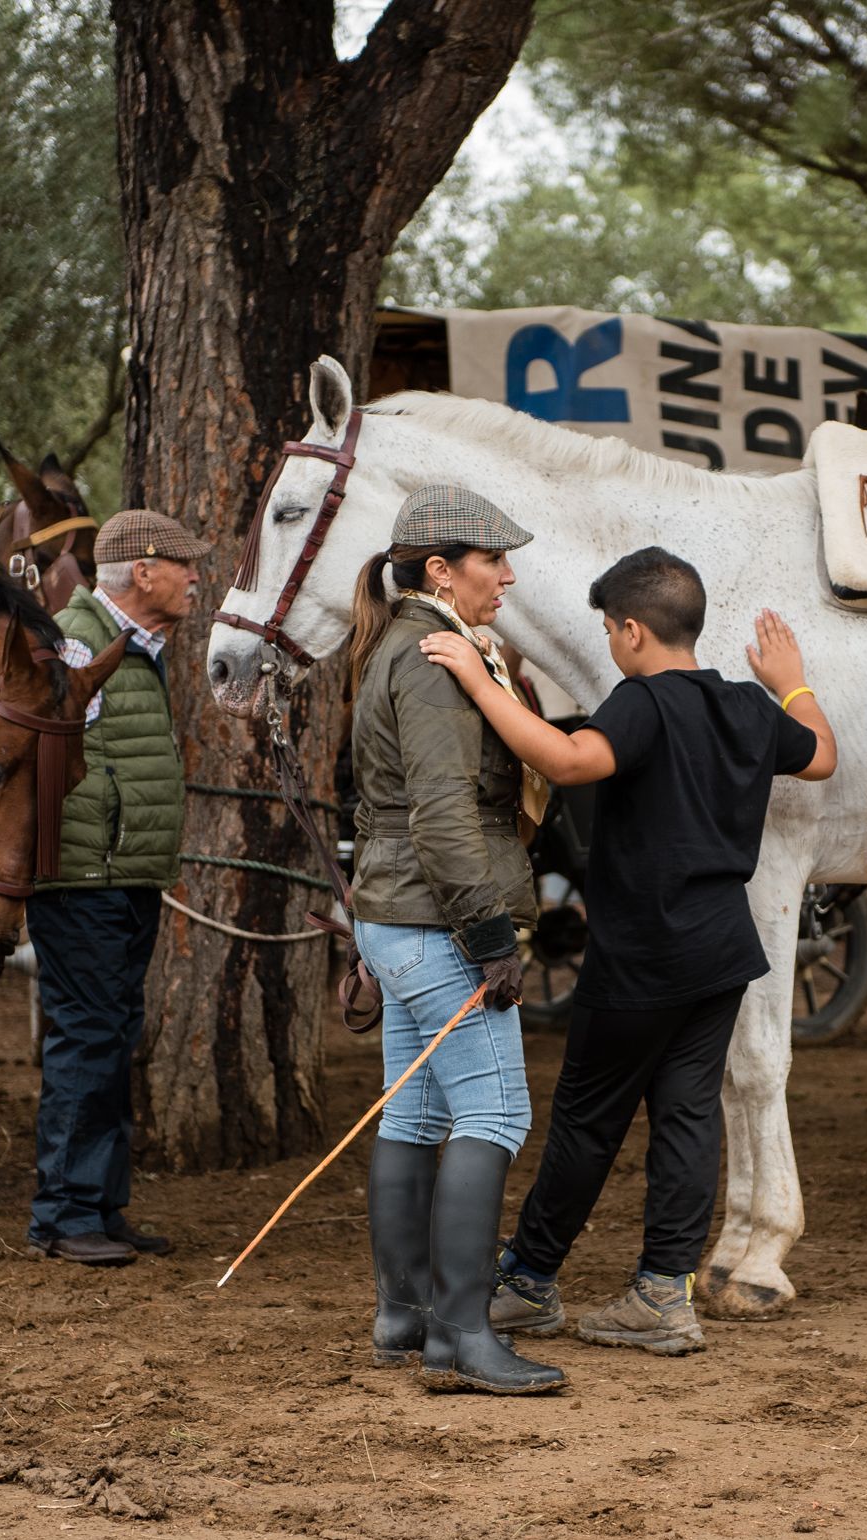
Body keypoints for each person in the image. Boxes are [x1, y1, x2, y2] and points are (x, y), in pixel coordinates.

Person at [419, 547, 837, 1356]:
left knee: (586, 1120)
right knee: (686, 1119)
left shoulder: (640, 703)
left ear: (633, 631)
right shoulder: (749, 705)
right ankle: (661, 1293)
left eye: (610, 628)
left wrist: (477, 680)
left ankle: (528, 1282)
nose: (610, 641)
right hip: (721, 954)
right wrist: (792, 679)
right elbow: (819, 754)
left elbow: (570, 759)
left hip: (643, 954)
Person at [348, 483, 566, 1396]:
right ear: (440, 570)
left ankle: (405, 1316)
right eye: (494, 561)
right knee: (495, 1114)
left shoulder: (401, 643)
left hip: (392, 918)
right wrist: (487, 934)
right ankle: (463, 1338)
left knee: (417, 1113)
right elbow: (441, 815)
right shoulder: (434, 659)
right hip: (434, 921)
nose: (508, 575)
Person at [26, 508, 203, 1266]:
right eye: (186, 565)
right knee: (87, 1036)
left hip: (123, 874)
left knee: (111, 1036)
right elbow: (48, 758)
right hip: (83, 878)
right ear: (142, 571)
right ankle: (63, 1216)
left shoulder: (133, 645)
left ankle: (99, 1204)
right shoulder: (74, 642)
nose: (198, 578)